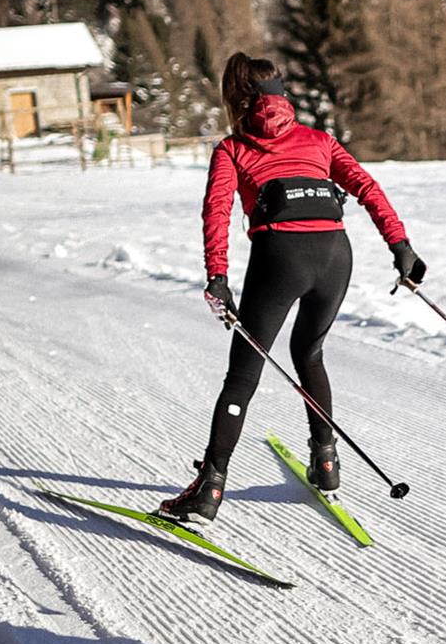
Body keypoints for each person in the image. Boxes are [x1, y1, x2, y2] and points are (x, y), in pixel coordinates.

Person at [159, 52, 426, 522]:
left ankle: (210, 488)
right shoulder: (320, 140)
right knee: (310, 354)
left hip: (279, 257)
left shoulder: (233, 148)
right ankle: (325, 462)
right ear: (282, 92)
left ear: (236, 97)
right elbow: (366, 187)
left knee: (244, 372)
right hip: (335, 255)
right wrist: (400, 246)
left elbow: (217, 212)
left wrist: (217, 278)